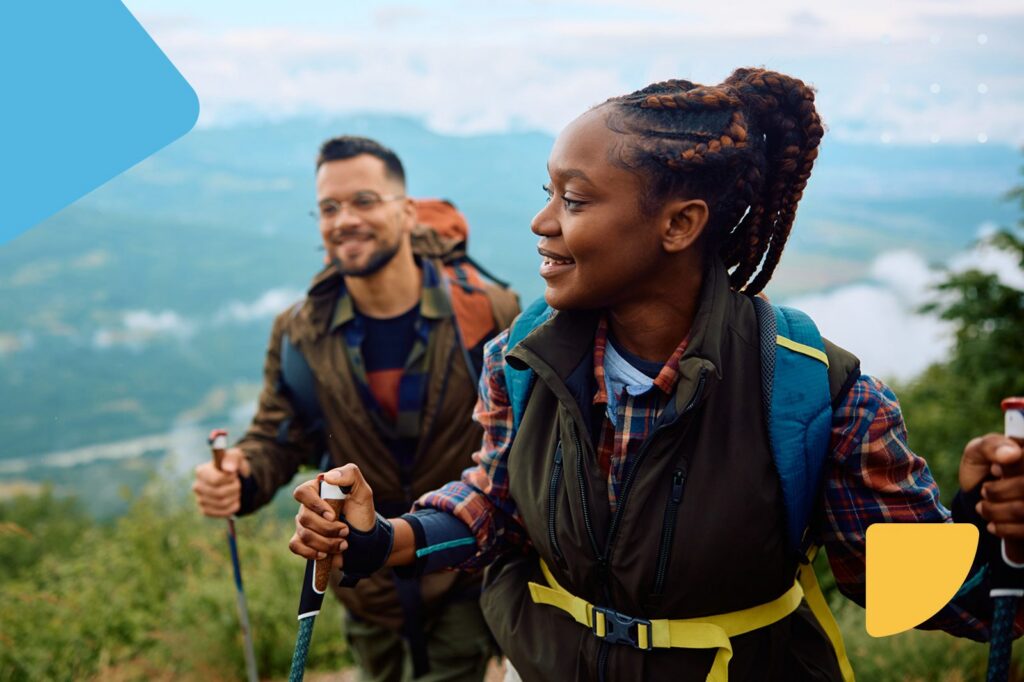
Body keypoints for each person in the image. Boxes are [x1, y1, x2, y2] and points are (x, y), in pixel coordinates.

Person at [287, 71, 1024, 681]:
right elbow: (497, 501)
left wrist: (995, 534)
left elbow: (927, 596)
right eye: (547, 193)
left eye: (574, 200)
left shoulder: (815, 393)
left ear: (679, 225)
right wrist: (381, 539)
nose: (543, 223)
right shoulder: (521, 359)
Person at [192, 136, 520, 682]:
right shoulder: (302, 333)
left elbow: (521, 446)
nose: (344, 220)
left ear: (407, 211)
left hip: (459, 573)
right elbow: (279, 436)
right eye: (329, 208)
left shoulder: (487, 311)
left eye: (364, 201)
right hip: (362, 584)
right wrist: (241, 477)